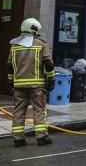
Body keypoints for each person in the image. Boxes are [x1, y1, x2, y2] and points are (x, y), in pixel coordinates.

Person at [7, 18, 55, 146]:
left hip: (18, 86)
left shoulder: (14, 46)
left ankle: (18, 138)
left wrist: (11, 82)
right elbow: (48, 64)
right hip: (36, 86)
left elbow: (10, 67)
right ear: (33, 29)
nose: (38, 32)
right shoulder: (41, 44)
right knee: (39, 110)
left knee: (18, 111)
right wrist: (51, 79)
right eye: (37, 30)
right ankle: (41, 137)